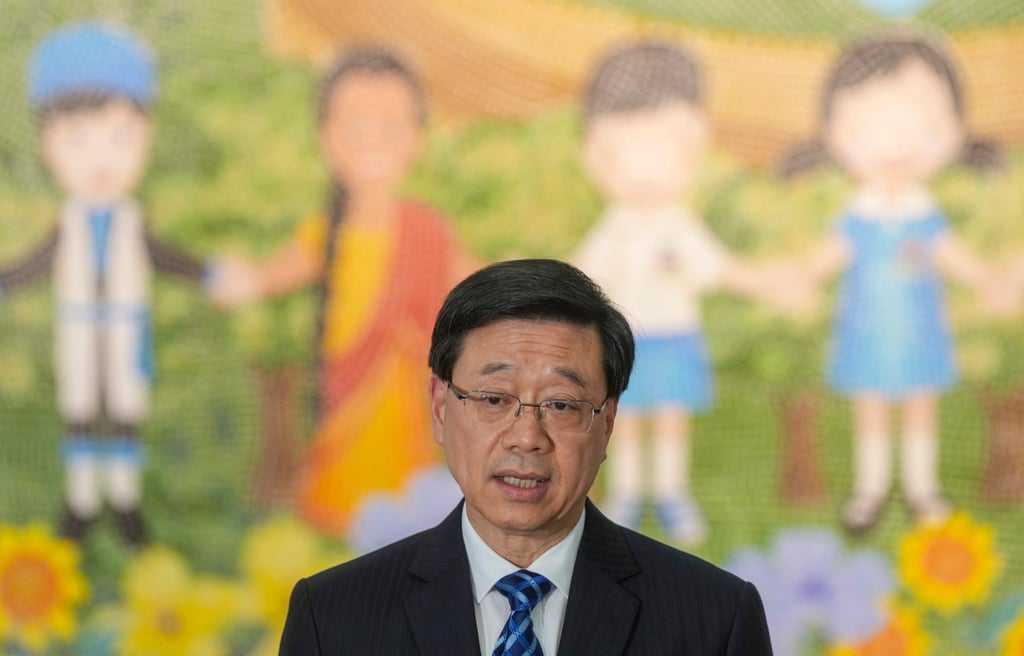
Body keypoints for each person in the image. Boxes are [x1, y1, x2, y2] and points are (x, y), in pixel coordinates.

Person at [279, 259, 773, 655]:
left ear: (607, 423)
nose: (526, 438)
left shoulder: (714, 619)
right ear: (439, 406)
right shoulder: (333, 618)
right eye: (494, 399)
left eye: (561, 404)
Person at [213, 45, 476, 537]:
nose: (372, 142)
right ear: (327, 139)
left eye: (391, 128)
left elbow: (472, 277)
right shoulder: (326, 230)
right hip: (344, 379)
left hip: (407, 387)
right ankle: (343, 521)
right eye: (355, 130)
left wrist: (540, 282)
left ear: (417, 137)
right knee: (346, 469)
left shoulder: (426, 230)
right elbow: (280, 270)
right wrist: (245, 280)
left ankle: (410, 523)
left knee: (407, 462)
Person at [574, 41, 805, 545]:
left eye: (665, 151)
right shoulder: (613, 226)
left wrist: (773, 282)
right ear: (596, 154)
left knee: (672, 420)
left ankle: (673, 493)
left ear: (696, 145)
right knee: (624, 421)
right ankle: (628, 495)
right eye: (624, 153)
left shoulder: (680, 224)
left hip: (674, 337)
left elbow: (720, 269)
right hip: (623, 341)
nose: (645, 172)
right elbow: (581, 277)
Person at [777, 33, 1007, 534]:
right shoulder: (859, 211)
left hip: (921, 331)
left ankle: (923, 489)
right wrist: (802, 279)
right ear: (834, 132)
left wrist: (987, 278)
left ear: (954, 129)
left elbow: (953, 255)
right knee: (873, 412)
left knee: (922, 408)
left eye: (921, 126)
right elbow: (829, 256)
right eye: (872, 128)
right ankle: (871, 490)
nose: (897, 145)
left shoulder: (925, 210)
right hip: (867, 331)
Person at [0, 21, 213, 547]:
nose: (99, 158)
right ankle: (80, 501)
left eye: (118, 137)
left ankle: (122, 499)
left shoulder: (131, 221)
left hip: (123, 333)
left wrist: (210, 274)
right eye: (77, 138)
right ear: (48, 143)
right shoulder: (68, 222)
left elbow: (168, 258)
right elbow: (33, 264)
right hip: (76, 330)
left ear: (146, 136)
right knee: (78, 414)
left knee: (122, 416)